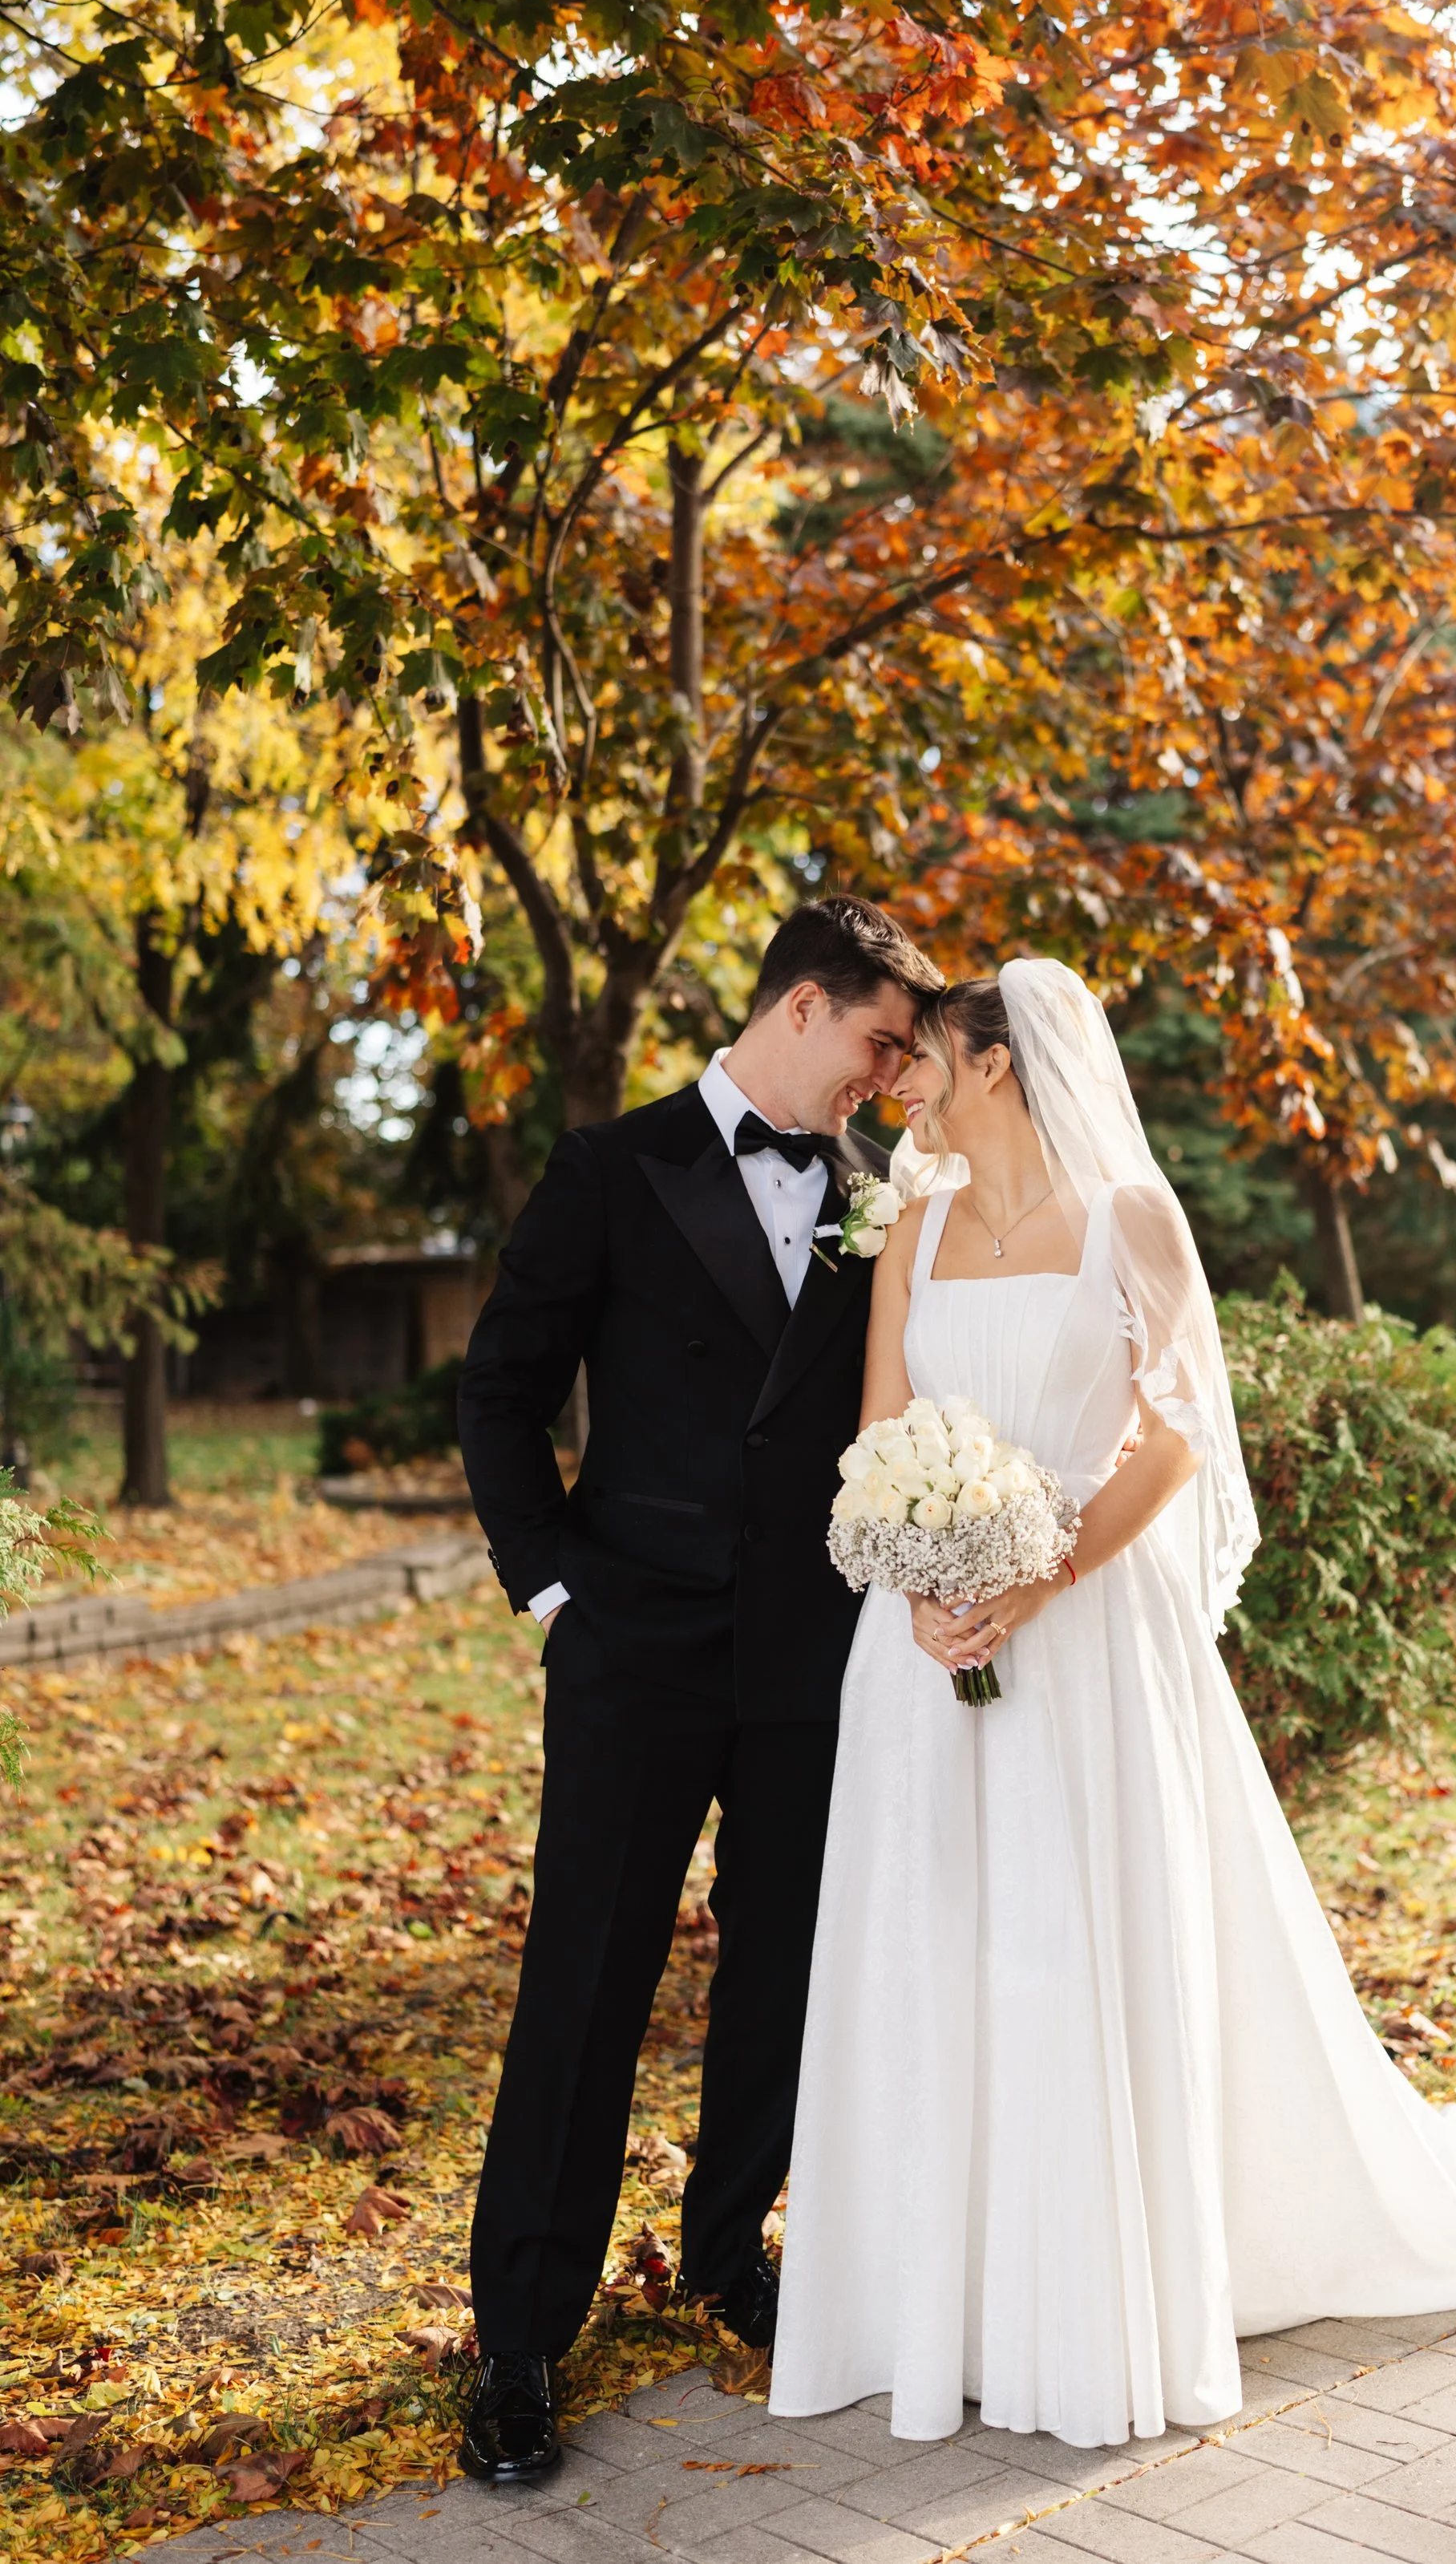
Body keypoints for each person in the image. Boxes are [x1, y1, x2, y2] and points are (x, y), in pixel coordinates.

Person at [769, 957, 1456, 2452]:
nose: (902, 1079)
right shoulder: (910, 1225)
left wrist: (1036, 1575)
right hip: (919, 1651)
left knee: (1067, 1949)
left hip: (1086, 1630)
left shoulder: (1132, 1221)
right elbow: (880, 1430)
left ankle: (1080, 2299)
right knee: (937, 1949)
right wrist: (917, 1571)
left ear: (997, 1063)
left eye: (927, 1056)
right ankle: (942, 2303)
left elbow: (1175, 1440)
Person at [455, 896, 944, 2484]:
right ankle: (522, 2337)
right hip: (631, 1653)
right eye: (877, 1042)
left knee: (783, 1971)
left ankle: (730, 2254)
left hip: (810, 1659)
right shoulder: (614, 1167)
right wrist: (551, 1578)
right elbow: (502, 1388)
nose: (887, 1077)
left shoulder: (875, 1197)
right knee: (583, 1981)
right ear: (801, 1008)